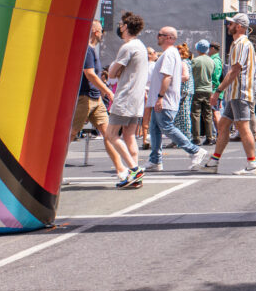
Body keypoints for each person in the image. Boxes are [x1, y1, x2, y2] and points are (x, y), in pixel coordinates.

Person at [144, 27, 209, 172]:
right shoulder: (170, 53)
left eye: (160, 34)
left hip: (165, 99)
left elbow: (167, 77)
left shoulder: (169, 54)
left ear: (169, 38)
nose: (157, 37)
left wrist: (160, 97)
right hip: (161, 98)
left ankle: (194, 150)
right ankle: (155, 160)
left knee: (166, 127)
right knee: (155, 128)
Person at [204, 13, 256, 175]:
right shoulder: (237, 44)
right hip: (234, 92)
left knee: (243, 128)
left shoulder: (242, 43)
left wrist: (218, 91)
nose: (229, 26)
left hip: (240, 92)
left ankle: (252, 165)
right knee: (223, 125)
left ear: (239, 26)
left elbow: (235, 70)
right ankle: (214, 161)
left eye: (231, 24)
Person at [69, 21, 124, 178]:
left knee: (109, 134)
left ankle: (121, 170)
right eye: (101, 31)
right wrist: (107, 91)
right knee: (71, 134)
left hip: (95, 98)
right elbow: (90, 74)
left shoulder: (92, 50)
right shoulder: (87, 50)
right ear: (94, 31)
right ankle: (53, 172)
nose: (102, 34)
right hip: (84, 98)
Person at [106, 11, 150, 188]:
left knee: (110, 135)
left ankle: (134, 169)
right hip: (137, 98)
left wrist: (114, 68)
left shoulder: (128, 47)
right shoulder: (141, 46)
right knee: (129, 136)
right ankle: (135, 178)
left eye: (120, 24)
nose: (119, 26)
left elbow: (111, 73)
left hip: (125, 96)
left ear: (125, 27)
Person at [190, 39, 216, 146]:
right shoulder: (211, 61)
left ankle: (196, 137)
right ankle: (210, 137)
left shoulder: (195, 61)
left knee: (196, 114)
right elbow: (213, 76)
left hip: (197, 89)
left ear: (197, 49)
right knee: (208, 114)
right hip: (208, 90)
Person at [174, 42, 194, 142]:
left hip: (183, 91)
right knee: (183, 115)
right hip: (188, 90)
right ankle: (182, 138)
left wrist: (173, 78)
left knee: (183, 116)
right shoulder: (188, 62)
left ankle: (184, 139)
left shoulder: (182, 63)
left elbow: (185, 77)